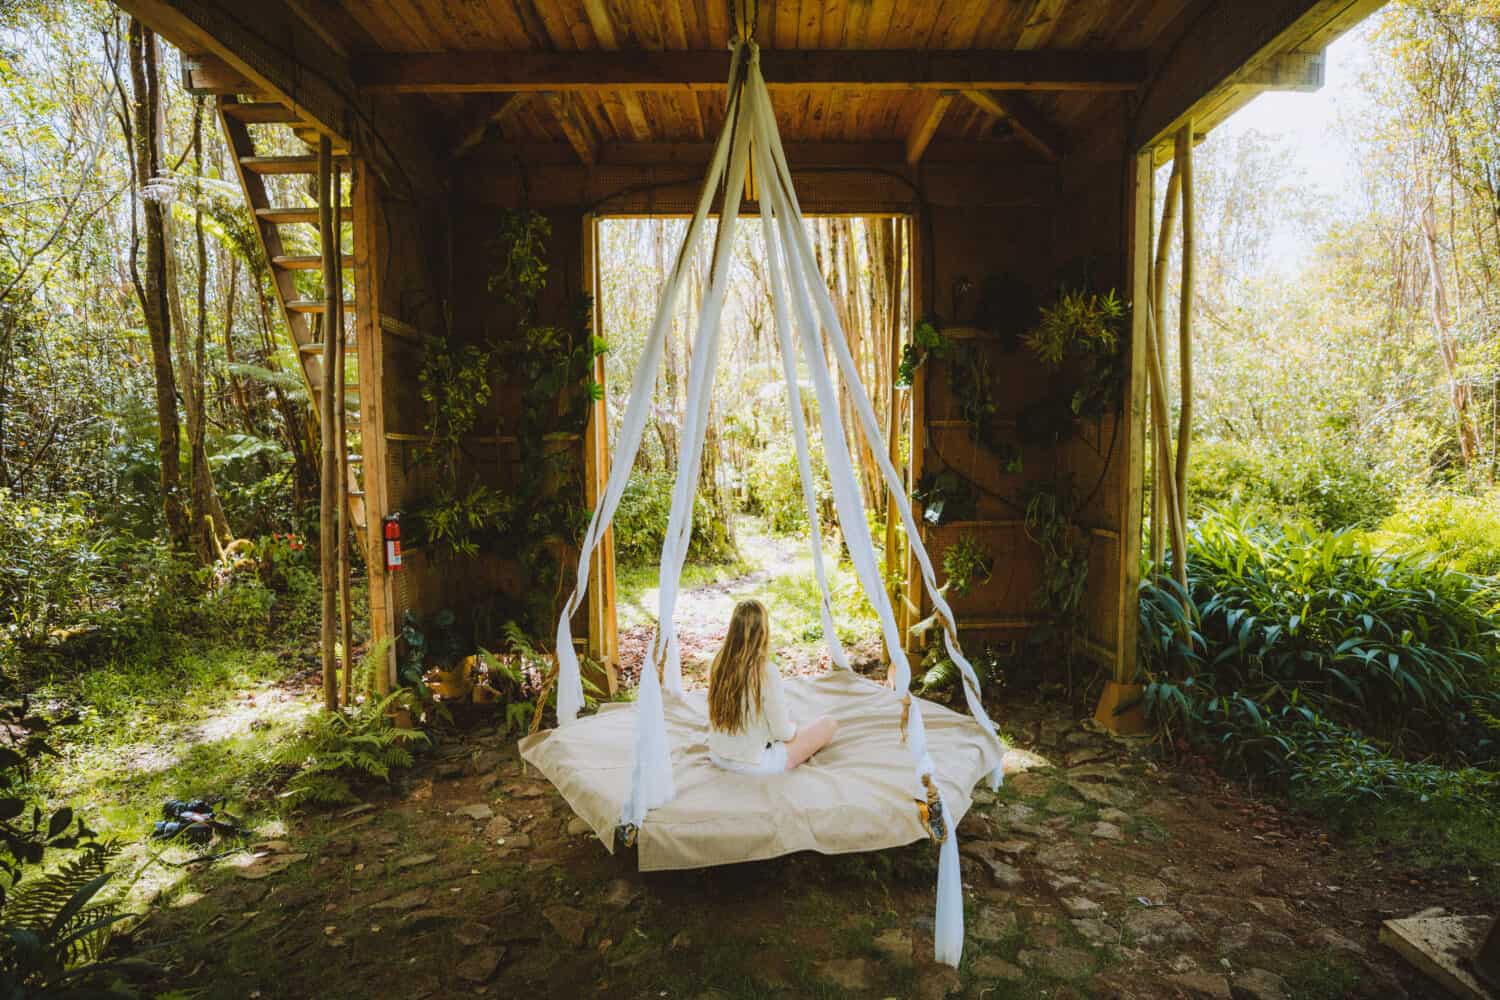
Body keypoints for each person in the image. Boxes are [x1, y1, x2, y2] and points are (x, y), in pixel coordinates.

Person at [706, 599, 837, 774]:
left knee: (784, 722)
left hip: (717, 755)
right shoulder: (766, 671)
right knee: (828, 724)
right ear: (763, 631)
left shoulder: (718, 661)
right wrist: (792, 730)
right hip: (754, 764)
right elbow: (784, 734)